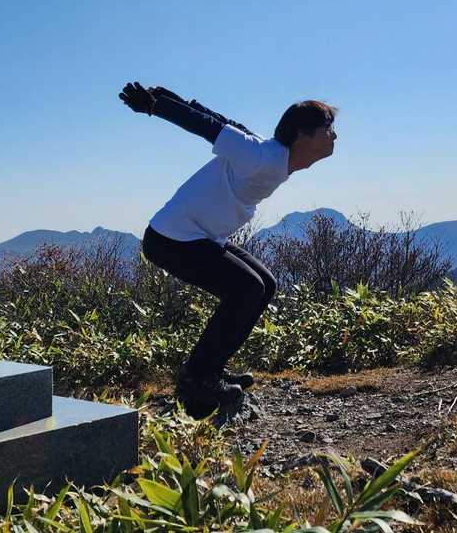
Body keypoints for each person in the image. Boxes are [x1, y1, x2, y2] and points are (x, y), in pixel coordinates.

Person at [119, 82, 337, 416]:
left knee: (264, 285)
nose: (334, 135)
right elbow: (208, 127)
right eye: (327, 128)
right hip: (171, 239)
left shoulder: (272, 156)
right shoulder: (261, 156)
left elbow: (222, 121)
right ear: (301, 134)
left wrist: (170, 98)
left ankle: (211, 369)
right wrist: (154, 106)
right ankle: (197, 379)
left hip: (198, 237)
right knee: (247, 289)